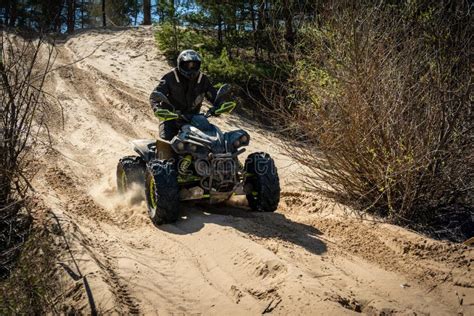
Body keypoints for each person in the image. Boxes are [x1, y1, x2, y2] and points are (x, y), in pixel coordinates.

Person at [149, 49, 218, 141]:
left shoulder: (202, 79)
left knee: (208, 138)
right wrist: (158, 109)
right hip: (171, 117)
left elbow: (214, 96)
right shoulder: (170, 77)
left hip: (193, 118)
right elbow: (155, 96)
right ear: (180, 64)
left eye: (194, 65)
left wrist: (219, 104)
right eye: (187, 65)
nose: (191, 68)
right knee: (166, 141)